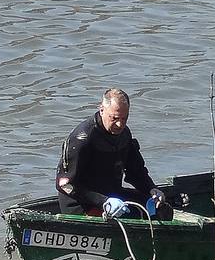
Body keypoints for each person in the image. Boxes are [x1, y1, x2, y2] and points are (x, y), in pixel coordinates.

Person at [56, 88, 166, 216]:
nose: (120, 124)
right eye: (115, 118)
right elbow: (65, 184)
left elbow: (135, 172)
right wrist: (104, 201)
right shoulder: (82, 138)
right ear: (102, 110)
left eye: (124, 118)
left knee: (161, 209)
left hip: (112, 196)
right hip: (82, 204)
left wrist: (151, 189)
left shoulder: (124, 135)